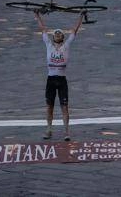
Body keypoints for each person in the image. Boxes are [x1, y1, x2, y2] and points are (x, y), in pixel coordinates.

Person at [34, 8, 86, 141]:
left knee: (64, 107)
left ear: (62, 37)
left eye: (59, 33)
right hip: (51, 79)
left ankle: (66, 132)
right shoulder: (49, 45)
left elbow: (74, 30)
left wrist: (81, 16)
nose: (57, 34)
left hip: (62, 80)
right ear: (53, 37)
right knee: (49, 107)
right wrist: (37, 15)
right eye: (56, 33)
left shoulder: (66, 46)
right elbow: (43, 29)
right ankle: (49, 130)